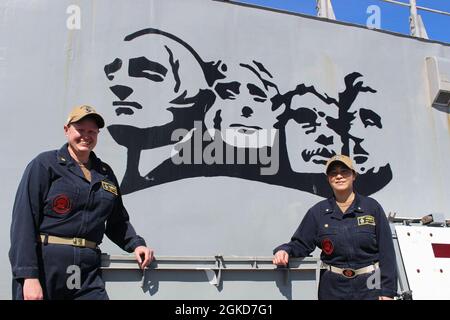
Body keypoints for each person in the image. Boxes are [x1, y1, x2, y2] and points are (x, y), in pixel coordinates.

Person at [9, 105, 154, 300]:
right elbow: (24, 222)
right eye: (81, 130)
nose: (86, 136)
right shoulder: (45, 165)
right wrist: (28, 276)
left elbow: (117, 221)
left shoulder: (105, 174)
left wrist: (136, 245)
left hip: (86, 270)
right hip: (47, 266)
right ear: (66, 130)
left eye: (92, 131)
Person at [273, 154, 397, 300]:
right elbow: (301, 244)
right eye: (333, 173)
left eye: (344, 171)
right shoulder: (318, 212)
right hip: (333, 289)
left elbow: (387, 251)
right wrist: (285, 250)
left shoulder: (372, 207)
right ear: (328, 179)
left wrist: (387, 291)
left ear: (354, 175)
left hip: (370, 286)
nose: (339, 176)